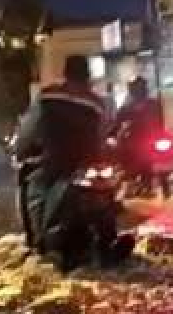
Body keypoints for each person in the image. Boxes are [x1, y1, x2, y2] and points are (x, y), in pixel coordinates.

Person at [13, 55, 108, 247]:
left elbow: (28, 130)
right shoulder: (98, 103)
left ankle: (38, 240)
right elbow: (103, 134)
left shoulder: (47, 96)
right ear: (88, 75)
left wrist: (19, 150)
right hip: (88, 166)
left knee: (35, 191)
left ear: (65, 73)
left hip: (54, 163)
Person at [110, 76, 165, 192]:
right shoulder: (126, 108)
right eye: (136, 88)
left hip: (150, 141)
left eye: (141, 88)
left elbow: (160, 122)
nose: (139, 91)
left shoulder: (153, 104)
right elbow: (117, 124)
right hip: (134, 143)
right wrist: (112, 135)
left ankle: (147, 183)